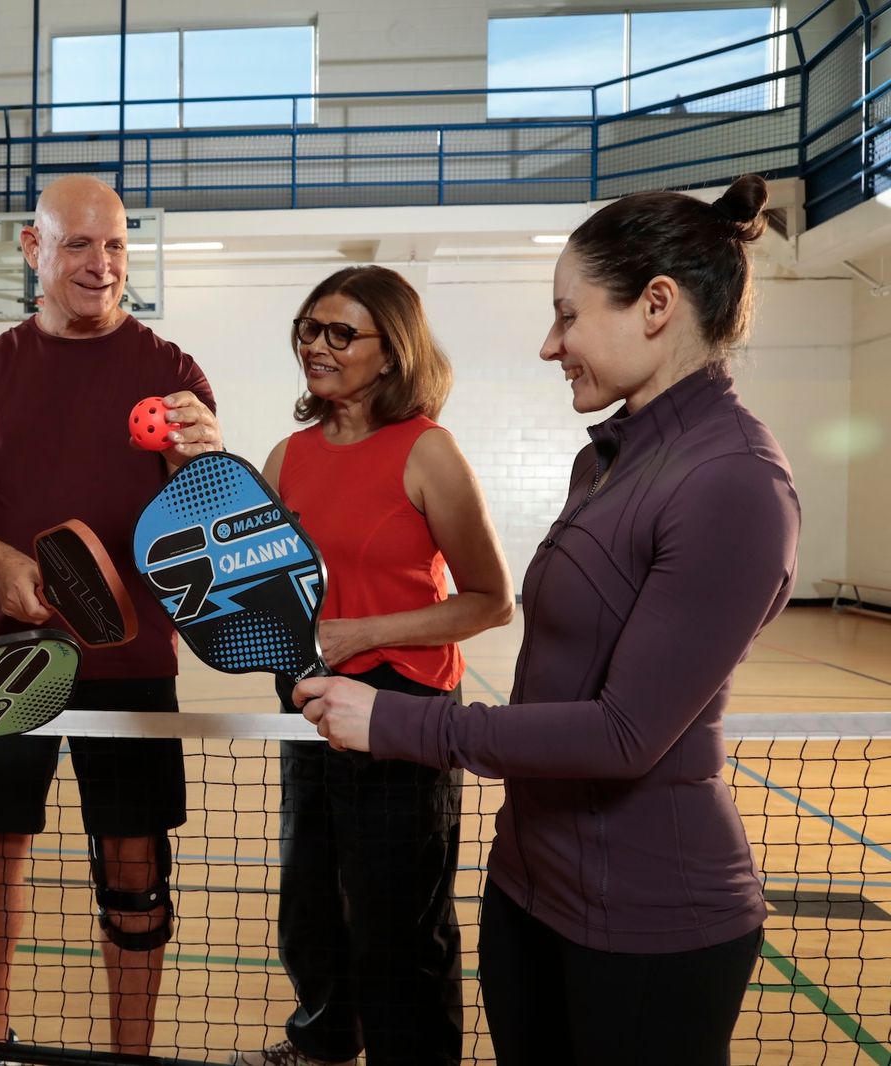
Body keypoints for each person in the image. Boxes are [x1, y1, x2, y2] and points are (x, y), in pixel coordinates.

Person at [294, 175, 799, 1066]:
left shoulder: (735, 482)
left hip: (646, 915)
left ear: (656, 305)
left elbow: (624, 734)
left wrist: (394, 719)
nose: (548, 345)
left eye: (567, 317)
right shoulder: (602, 461)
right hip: (531, 889)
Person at [0, 175, 222, 1064]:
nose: (102, 264)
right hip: (4, 659)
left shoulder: (173, 373)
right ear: (32, 246)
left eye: (117, 244)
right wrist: (2, 567)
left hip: (132, 662)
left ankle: (131, 1053)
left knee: (135, 867)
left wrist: (207, 460)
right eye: (79, 244)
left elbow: (206, 529)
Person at [233, 267, 513, 1066]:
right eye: (308, 328)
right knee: (311, 901)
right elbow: (270, 589)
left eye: (339, 333)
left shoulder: (427, 451)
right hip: (310, 694)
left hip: (404, 705)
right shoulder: (285, 457)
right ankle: (325, 1042)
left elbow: (491, 601)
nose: (316, 346)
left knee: (398, 915)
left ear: (391, 353)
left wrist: (363, 635)